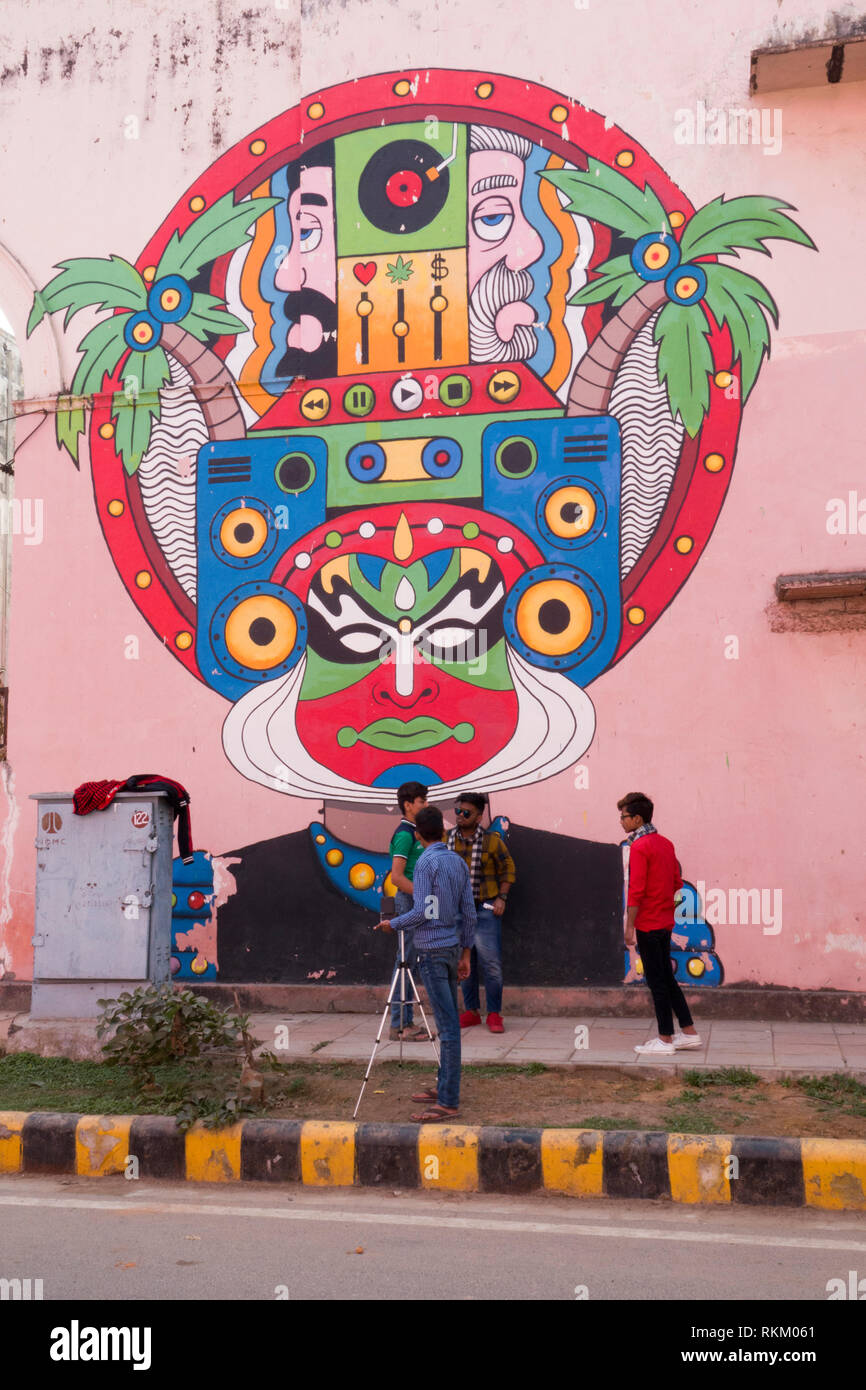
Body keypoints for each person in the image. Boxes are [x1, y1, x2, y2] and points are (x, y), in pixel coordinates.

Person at [375, 805, 476, 1121]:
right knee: (447, 1024)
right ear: (444, 832)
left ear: (418, 836)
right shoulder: (457, 862)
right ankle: (444, 1086)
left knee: (447, 1027)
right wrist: (466, 954)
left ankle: (448, 1101)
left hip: (431, 951)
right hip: (451, 948)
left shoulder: (424, 865)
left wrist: (393, 925)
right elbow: (469, 913)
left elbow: (423, 913)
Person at [618, 792, 702, 1055]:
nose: (621, 821)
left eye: (624, 817)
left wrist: (629, 926)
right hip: (664, 923)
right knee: (667, 978)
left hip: (648, 923)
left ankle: (665, 1039)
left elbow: (636, 891)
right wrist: (666, 910)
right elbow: (677, 884)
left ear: (637, 818)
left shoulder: (640, 847)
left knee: (657, 982)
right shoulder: (665, 844)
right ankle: (688, 1032)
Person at [447, 791, 515, 1033]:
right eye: (458, 811)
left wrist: (502, 897)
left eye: (466, 813)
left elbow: (508, 868)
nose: (460, 816)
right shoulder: (447, 841)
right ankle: (471, 1011)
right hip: (457, 912)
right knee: (464, 964)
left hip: (484, 910)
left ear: (478, 816)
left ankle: (495, 1014)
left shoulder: (492, 841)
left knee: (491, 964)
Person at [387, 780, 428, 1040]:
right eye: (422, 801)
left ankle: (406, 1022)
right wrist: (423, 896)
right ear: (408, 805)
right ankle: (399, 1026)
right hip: (409, 902)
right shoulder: (404, 835)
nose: (426, 805)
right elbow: (397, 877)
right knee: (405, 963)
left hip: (417, 902)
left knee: (410, 963)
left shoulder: (415, 832)